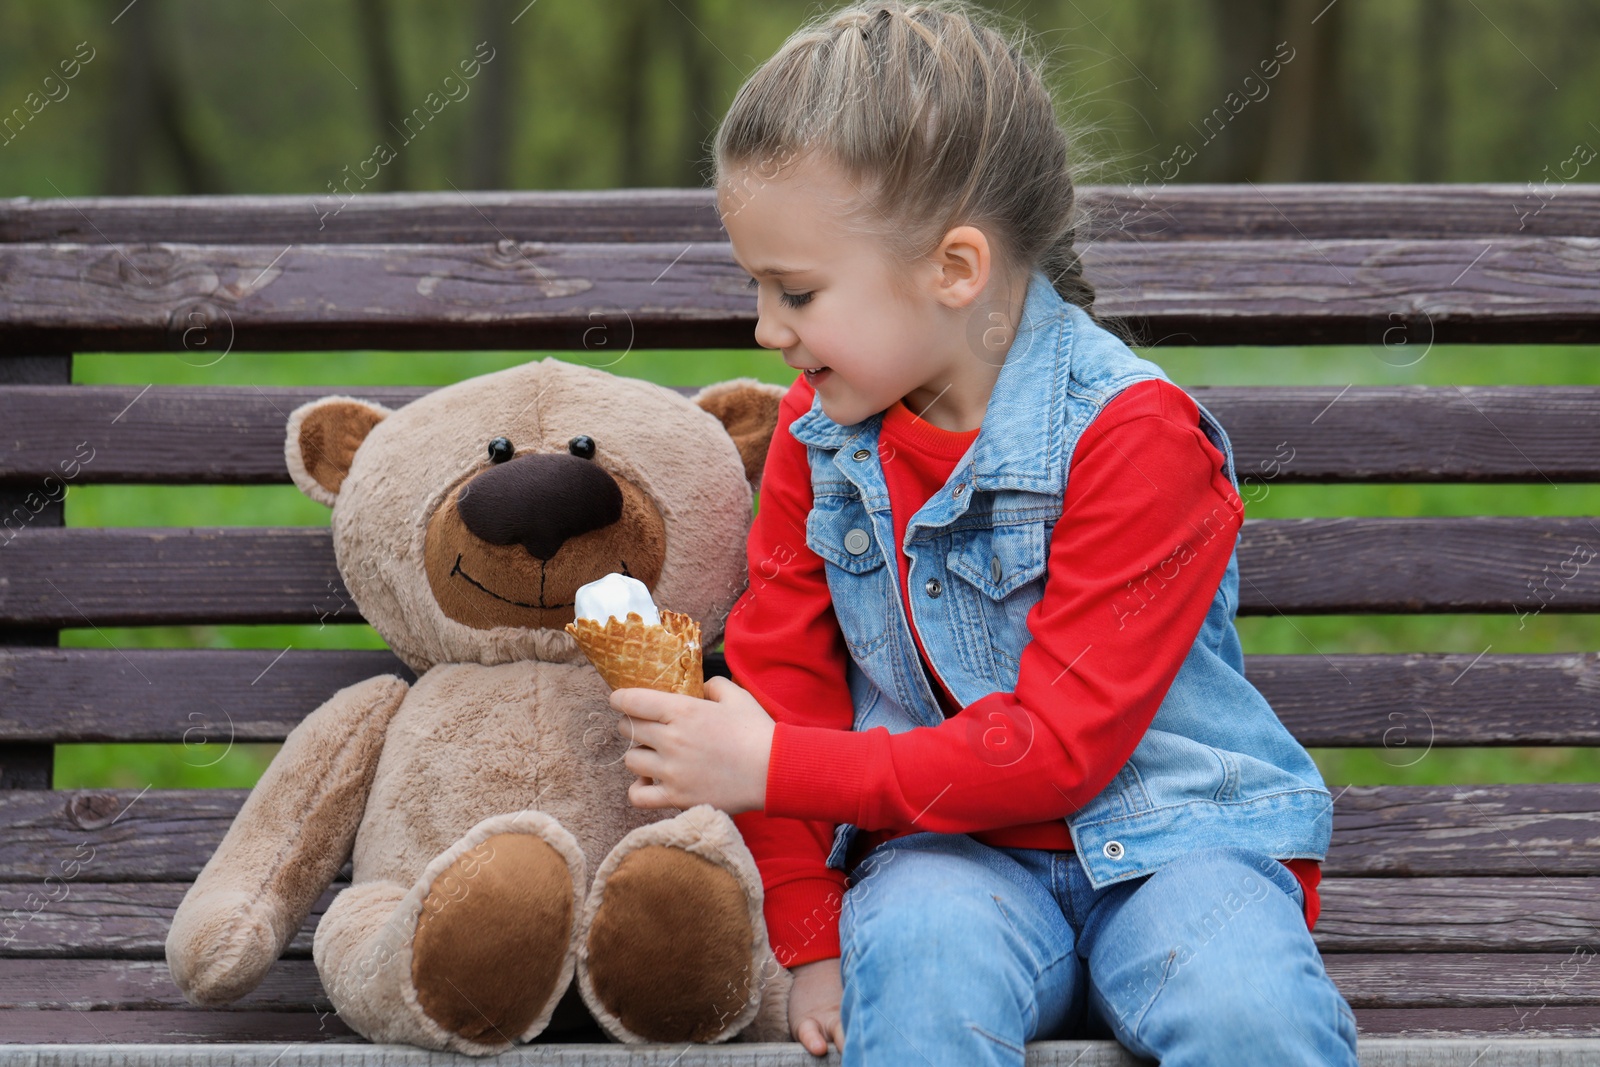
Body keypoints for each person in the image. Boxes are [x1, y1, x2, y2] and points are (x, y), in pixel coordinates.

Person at [606, 2, 1360, 1064]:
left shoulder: (1134, 435)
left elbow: (1052, 748)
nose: (766, 329)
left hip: (1179, 847)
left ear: (955, 269)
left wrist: (776, 767)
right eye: (755, 286)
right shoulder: (816, 439)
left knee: (1248, 1013)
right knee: (917, 977)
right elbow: (778, 689)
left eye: (797, 291)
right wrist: (811, 929)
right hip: (947, 856)